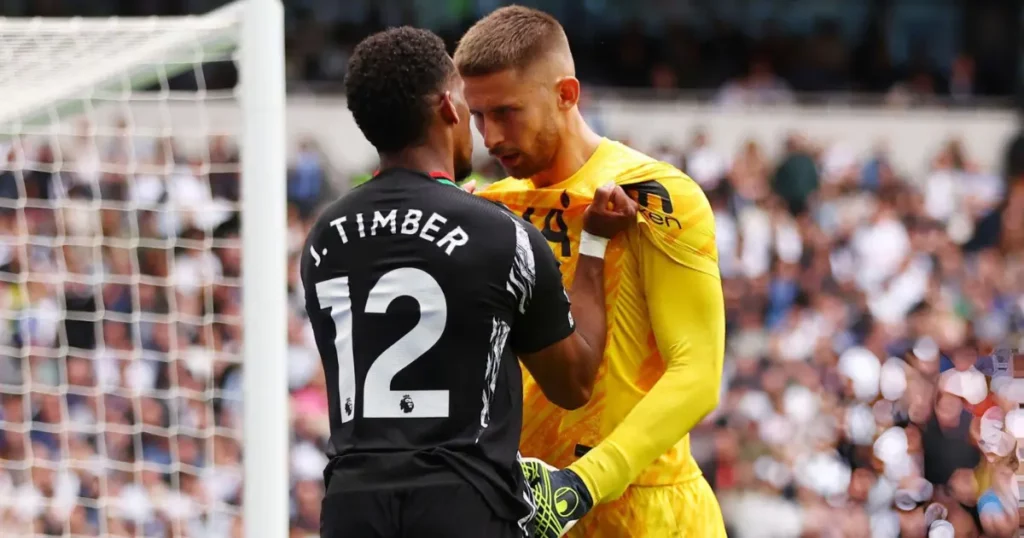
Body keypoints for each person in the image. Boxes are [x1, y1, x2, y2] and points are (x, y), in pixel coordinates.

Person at [301, 27, 636, 538]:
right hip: (462, 503)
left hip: (351, 504)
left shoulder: (324, 237)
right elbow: (574, 382)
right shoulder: (499, 235)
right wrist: (592, 246)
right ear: (447, 107)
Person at [455, 7, 727, 537]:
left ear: (566, 94)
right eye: (479, 116)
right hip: (529, 513)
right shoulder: (490, 209)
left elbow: (697, 374)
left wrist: (580, 485)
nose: (491, 136)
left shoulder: (652, 195)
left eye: (507, 112)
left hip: (643, 513)